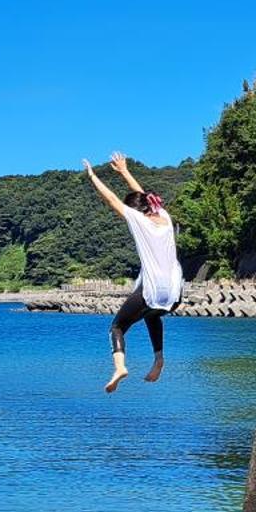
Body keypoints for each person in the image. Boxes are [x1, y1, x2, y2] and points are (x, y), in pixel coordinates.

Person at [82, 152, 183, 392]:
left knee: (117, 328)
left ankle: (120, 367)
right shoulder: (164, 217)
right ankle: (159, 360)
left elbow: (111, 199)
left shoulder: (138, 220)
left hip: (153, 288)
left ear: (135, 212)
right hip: (176, 292)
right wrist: (125, 171)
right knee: (152, 315)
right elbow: (145, 195)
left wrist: (93, 176)